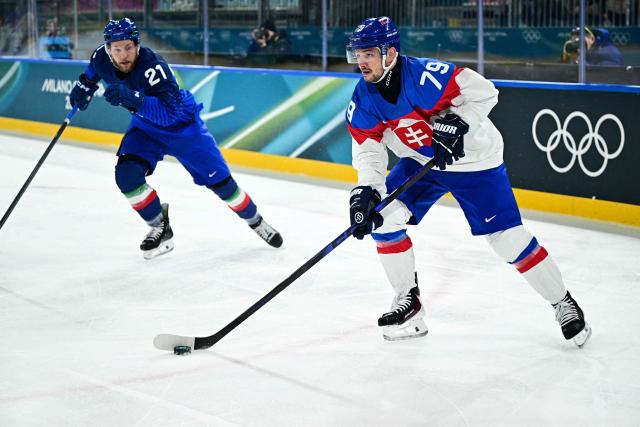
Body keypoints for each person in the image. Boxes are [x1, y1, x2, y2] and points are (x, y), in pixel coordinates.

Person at [344, 16, 591, 347]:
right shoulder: (363, 98)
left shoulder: (425, 77)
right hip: (422, 164)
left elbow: (485, 92)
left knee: (508, 240)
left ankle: (564, 303)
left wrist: (457, 122)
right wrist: (367, 191)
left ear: (390, 53)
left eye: (369, 54)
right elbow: (368, 150)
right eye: (357, 54)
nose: (361, 62)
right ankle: (409, 304)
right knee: (383, 219)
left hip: (474, 163)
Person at [69, 18, 283, 259]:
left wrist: (133, 98)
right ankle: (159, 225)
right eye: (117, 49)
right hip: (146, 128)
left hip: (183, 128)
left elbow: (170, 114)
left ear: (137, 45)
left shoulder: (154, 67)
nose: (124, 54)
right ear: (108, 50)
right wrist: (84, 86)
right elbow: (92, 73)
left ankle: (255, 221)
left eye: (128, 47)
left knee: (224, 186)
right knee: (126, 176)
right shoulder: (100, 57)